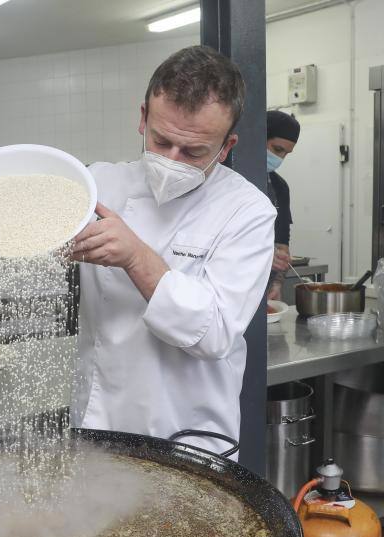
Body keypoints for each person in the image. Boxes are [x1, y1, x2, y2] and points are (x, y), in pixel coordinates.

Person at [70, 46, 276, 455]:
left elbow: (214, 333)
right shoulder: (98, 183)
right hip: (100, 419)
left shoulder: (248, 211)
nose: (172, 159)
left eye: (194, 151)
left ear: (226, 144)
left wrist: (135, 256)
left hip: (187, 432)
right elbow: (36, 236)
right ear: (143, 116)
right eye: (161, 141)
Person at [265, 110, 300, 300]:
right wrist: (262, 258)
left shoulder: (280, 187)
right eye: (277, 149)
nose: (280, 159)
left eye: (286, 153)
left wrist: (277, 283)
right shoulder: (230, 178)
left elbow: (282, 243)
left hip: (263, 289)